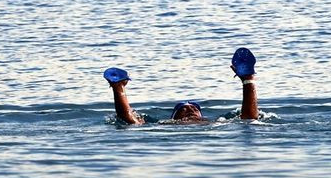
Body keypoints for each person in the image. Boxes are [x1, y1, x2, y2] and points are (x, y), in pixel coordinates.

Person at [104, 48, 259, 125]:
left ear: (200, 114)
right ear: (174, 117)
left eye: (193, 108)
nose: (190, 109)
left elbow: (249, 119)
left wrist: (248, 80)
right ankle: (119, 88)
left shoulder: (216, 122)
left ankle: (249, 79)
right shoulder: (166, 125)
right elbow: (130, 120)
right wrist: (120, 90)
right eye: (183, 109)